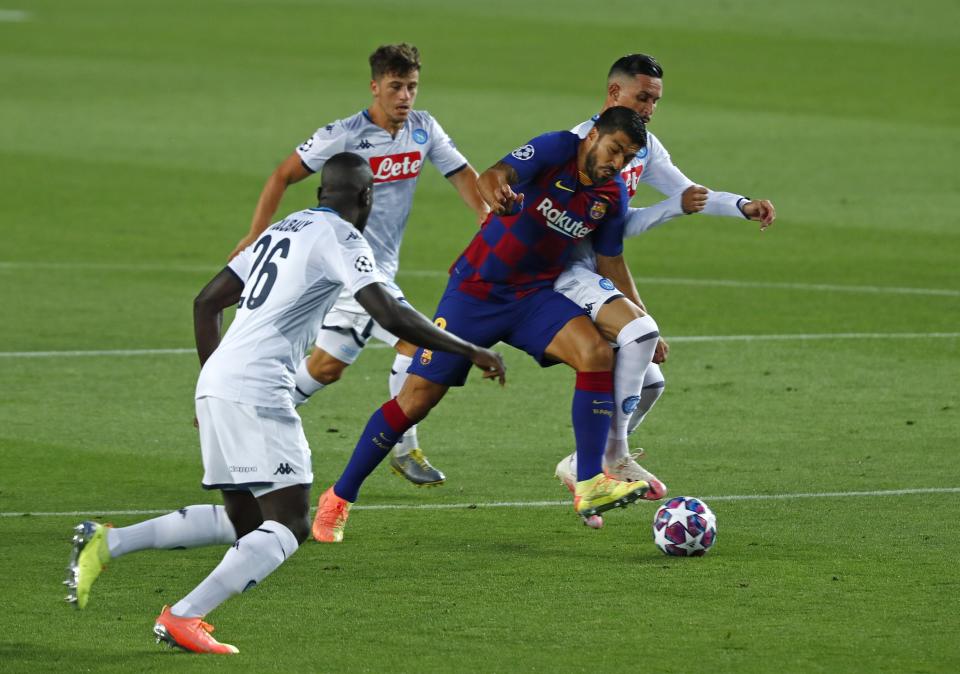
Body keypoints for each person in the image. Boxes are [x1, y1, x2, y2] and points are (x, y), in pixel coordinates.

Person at [63, 153, 506, 654]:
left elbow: (206, 302)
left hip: (218, 383)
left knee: (245, 522)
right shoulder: (341, 237)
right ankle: (184, 616)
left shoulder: (281, 229)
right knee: (289, 524)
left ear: (321, 193)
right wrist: (468, 349)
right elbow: (388, 311)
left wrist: (209, 377)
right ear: (366, 198)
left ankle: (107, 542)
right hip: (257, 388)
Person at [311, 106, 663, 544]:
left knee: (595, 353)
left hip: (532, 296)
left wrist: (641, 313)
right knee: (415, 401)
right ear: (593, 135)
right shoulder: (557, 147)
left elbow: (611, 259)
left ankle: (590, 481)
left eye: (627, 158)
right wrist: (499, 194)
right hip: (475, 292)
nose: (617, 163)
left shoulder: (611, 196)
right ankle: (338, 497)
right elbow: (492, 176)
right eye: (614, 149)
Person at [231, 43, 489, 487]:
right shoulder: (343, 135)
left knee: (326, 368)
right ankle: (405, 449)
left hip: (373, 270)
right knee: (414, 345)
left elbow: (463, 174)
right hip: (350, 267)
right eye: (395, 87)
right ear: (375, 87)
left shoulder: (423, 130)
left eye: (411, 87)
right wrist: (255, 233)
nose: (405, 96)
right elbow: (283, 175)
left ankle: (245, 419)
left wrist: (487, 219)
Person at [553, 54, 777, 503]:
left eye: (655, 100)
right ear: (615, 93)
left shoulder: (643, 147)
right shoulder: (584, 146)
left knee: (651, 382)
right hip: (560, 270)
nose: (650, 108)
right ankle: (608, 459)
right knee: (640, 336)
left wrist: (740, 205)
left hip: (596, 269)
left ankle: (582, 462)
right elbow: (606, 229)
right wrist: (671, 209)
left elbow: (685, 190)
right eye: (643, 97)